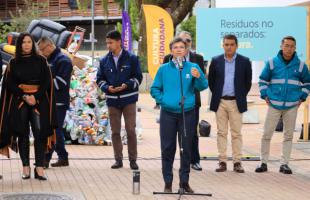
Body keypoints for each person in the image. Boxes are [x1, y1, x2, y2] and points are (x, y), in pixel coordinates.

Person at [151, 37, 208, 193]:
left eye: (181, 47)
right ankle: (168, 183)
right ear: (171, 50)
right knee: (168, 148)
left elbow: (203, 86)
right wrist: (164, 101)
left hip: (187, 113)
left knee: (186, 148)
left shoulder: (193, 67)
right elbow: (154, 89)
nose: (178, 49)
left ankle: (184, 182)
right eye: (175, 47)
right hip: (168, 114)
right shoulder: (163, 69)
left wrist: (199, 76)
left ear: (186, 50)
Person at [0, 32, 57, 180]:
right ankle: (26, 167)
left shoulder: (41, 60)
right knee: (22, 134)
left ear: (33, 44)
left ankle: (39, 167)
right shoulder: (13, 62)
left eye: (29, 42)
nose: (26, 45)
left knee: (40, 133)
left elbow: (46, 82)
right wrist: (24, 95)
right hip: (20, 101)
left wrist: (35, 97)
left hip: (38, 101)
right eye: (23, 42)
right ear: (19, 45)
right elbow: (9, 83)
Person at [256, 36, 310, 174]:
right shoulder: (272, 63)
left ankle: (284, 164)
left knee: (288, 136)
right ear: (281, 46)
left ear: (295, 48)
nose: (289, 48)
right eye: (286, 45)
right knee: (267, 134)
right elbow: (262, 80)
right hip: (274, 104)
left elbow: (307, 83)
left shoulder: (301, 66)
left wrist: (302, 98)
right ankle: (263, 163)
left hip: (292, 105)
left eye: (292, 46)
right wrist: (265, 95)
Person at [96, 30, 142, 170]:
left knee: (130, 130)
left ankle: (133, 160)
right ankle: (118, 160)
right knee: (115, 131)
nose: (108, 45)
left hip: (128, 100)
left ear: (119, 42)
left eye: (111, 42)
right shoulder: (104, 61)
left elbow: (138, 78)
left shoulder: (132, 58)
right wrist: (107, 88)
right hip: (112, 101)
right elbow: (99, 79)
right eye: (107, 43)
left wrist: (126, 85)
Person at [208, 34, 252, 173]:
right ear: (223, 45)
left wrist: (239, 96)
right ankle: (222, 161)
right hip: (220, 101)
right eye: (226, 44)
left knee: (236, 133)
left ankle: (237, 162)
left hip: (236, 102)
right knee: (221, 132)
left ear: (236, 46)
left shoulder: (244, 61)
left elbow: (247, 83)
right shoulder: (215, 61)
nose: (229, 47)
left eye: (232, 44)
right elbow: (211, 82)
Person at [163, 31, 205, 171]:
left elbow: (203, 83)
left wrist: (198, 77)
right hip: (170, 109)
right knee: (170, 141)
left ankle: (194, 161)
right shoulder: (167, 61)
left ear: (188, 45)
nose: (183, 44)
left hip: (191, 105)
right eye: (180, 42)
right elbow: (160, 86)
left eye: (187, 41)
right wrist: (164, 100)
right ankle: (169, 174)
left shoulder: (197, 59)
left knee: (191, 134)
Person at [38, 37, 73, 168]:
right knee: (53, 129)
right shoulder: (49, 60)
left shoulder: (63, 61)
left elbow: (62, 83)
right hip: (48, 101)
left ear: (49, 46)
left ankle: (46, 159)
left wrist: (42, 84)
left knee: (54, 130)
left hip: (59, 102)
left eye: (42, 49)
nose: (41, 52)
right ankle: (63, 157)